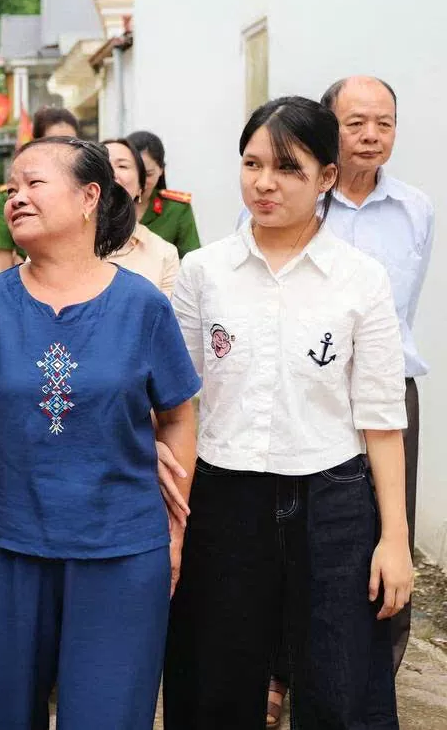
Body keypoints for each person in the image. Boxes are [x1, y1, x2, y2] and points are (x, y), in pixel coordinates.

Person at [0, 135, 199, 729]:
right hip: (6, 546)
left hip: (121, 551)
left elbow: (179, 413)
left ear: (88, 197)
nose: (16, 197)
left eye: (34, 183)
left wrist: (174, 531)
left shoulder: (142, 306)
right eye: (12, 187)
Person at [164, 97, 412, 730]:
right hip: (224, 497)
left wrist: (395, 540)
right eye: (251, 164)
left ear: (327, 176)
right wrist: (175, 518)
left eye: (287, 167)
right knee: (215, 682)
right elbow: (175, 402)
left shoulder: (361, 279)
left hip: (334, 503)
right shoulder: (204, 272)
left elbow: (382, 421)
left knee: (338, 687)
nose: (264, 183)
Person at [320, 75, 431, 676]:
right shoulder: (292, 197)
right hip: (313, 389)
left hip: (392, 390)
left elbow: (404, 312)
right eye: (355, 122)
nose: (370, 136)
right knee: (309, 524)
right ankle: (285, 670)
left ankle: (378, 671)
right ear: (326, 125)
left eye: (383, 123)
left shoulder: (417, 209)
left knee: (393, 526)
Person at [0, 105, 79, 273]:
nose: (64, 151)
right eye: (54, 143)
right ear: (35, 144)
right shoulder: (12, 199)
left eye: (71, 143)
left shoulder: (88, 193)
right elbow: (1, 265)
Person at [104, 137, 180, 297]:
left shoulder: (164, 254)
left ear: (140, 188)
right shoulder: (63, 245)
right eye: (103, 164)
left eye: (122, 165)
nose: (112, 173)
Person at [126, 130, 201, 257]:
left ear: (161, 170)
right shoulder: (102, 205)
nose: (141, 181)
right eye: (135, 173)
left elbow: (192, 258)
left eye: (148, 174)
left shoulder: (177, 208)